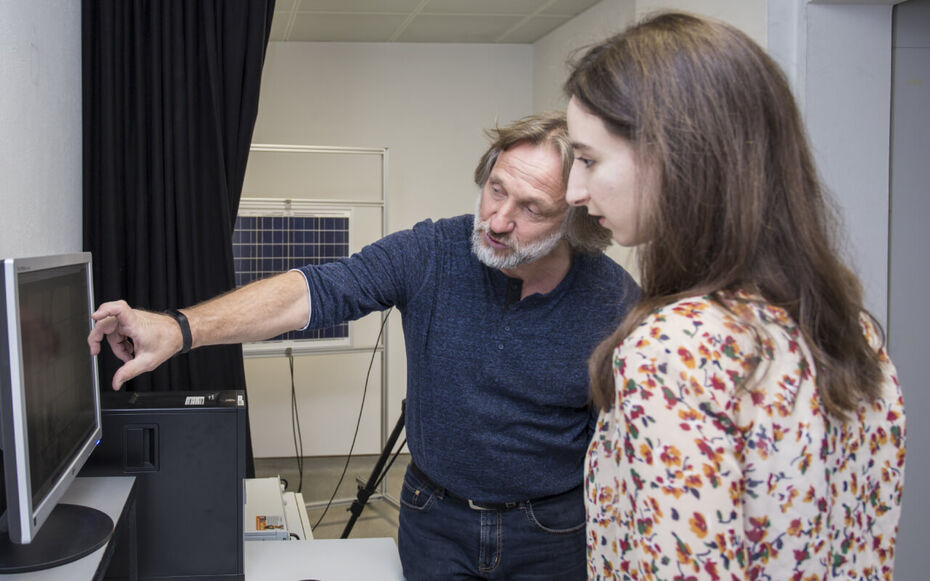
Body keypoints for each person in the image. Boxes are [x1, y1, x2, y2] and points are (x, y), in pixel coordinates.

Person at [87, 111, 641, 579]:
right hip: (435, 520)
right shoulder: (433, 250)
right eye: (496, 188)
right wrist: (179, 328)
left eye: (531, 209)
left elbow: (626, 448)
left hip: (552, 531)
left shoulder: (613, 300)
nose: (497, 220)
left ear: (575, 217)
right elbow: (314, 291)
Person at [562, 12, 906, 581]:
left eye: (590, 159)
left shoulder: (674, 347)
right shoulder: (853, 332)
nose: (574, 190)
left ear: (678, 154)